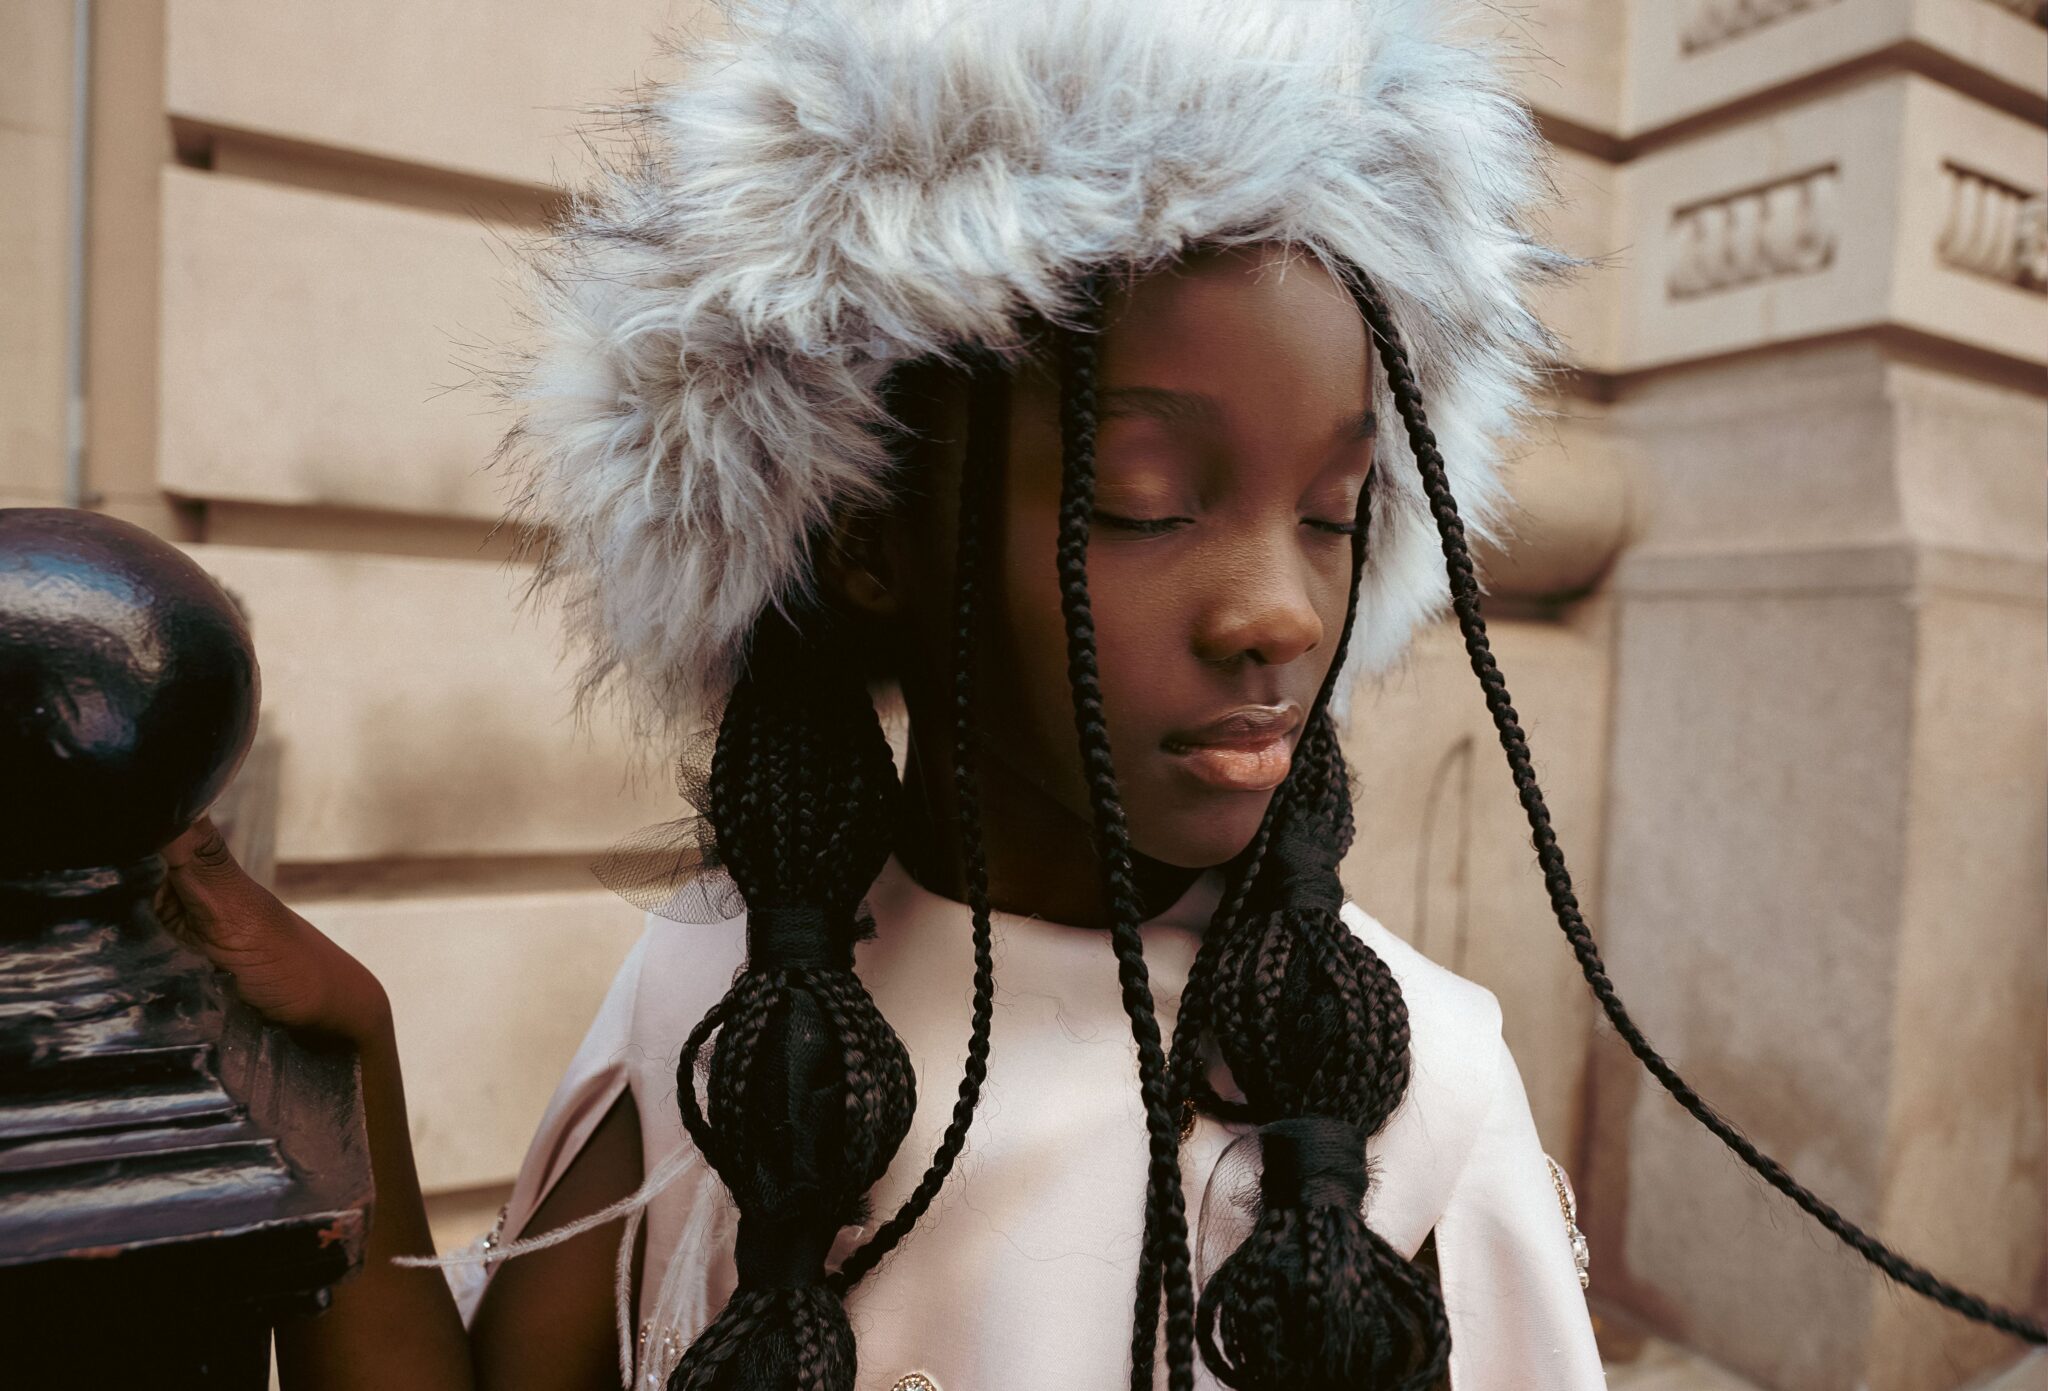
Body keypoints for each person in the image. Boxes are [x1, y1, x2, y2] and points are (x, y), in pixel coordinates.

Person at [152, 1, 2044, 1388]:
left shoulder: (1420, 1096)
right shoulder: (714, 1007)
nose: (1277, 611)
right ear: (878, 543)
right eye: (1149, 503)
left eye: (1333, 514)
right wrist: (353, 1085)